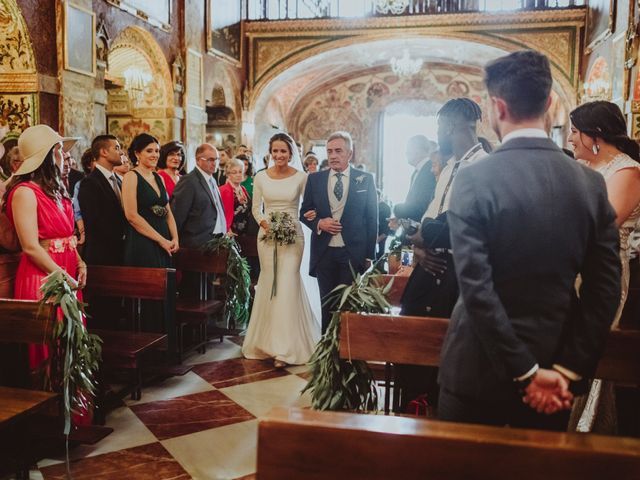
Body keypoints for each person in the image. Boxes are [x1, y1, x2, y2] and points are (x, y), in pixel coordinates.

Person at [437, 50, 621, 431]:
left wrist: (524, 372)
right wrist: (565, 370)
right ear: (551, 102)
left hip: (476, 369)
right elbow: (604, 289)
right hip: (555, 368)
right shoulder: (589, 184)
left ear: (496, 108)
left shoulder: (475, 179)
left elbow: (476, 288)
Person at [395, 98, 487, 412]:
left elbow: (458, 226)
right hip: (429, 264)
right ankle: (414, 406)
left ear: (450, 126)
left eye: (439, 127)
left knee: (444, 350)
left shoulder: (482, 166)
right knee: (412, 336)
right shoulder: (449, 166)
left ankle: (437, 412)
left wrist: (422, 233)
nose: (438, 133)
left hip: (458, 272)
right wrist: (418, 247)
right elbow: (429, 220)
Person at [567, 100, 640, 433]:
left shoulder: (627, 171)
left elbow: (604, 227)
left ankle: (587, 431)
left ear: (594, 135)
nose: (569, 139)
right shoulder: (588, 171)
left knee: (594, 347)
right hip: (574, 272)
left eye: (574, 131)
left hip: (603, 276)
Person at [2, 125, 85, 371]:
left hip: (67, 270)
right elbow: (29, 246)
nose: (65, 156)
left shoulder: (56, 189)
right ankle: (51, 404)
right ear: (47, 155)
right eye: (59, 150)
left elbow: (67, 234)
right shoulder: (24, 193)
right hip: (44, 276)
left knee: (72, 343)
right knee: (52, 346)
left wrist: (80, 261)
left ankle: (72, 407)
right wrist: (63, 277)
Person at [242, 132, 320, 367]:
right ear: (270, 152)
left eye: (283, 151)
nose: (279, 155)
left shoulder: (301, 177)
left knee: (287, 282)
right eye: (275, 151)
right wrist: (268, 226)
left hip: (293, 236)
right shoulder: (261, 177)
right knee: (269, 283)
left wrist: (312, 217)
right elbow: (256, 209)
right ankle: (266, 342)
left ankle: (286, 349)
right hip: (267, 236)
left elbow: (309, 207)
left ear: (291, 153)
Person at [300, 131, 378, 334]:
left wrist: (370, 255)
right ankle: (327, 354)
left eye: (338, 151)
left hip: (352, 252)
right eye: (329, 151)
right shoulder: (315, 180)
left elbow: (372, 219)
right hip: (324, 252)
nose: (333, 155)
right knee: (326, 304)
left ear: (349, 154)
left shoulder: (365, 179)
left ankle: (347, 354)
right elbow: (304, 212)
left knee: (347, 306)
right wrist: (319, 223)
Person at [122, 133, 178, 268]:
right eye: (149, 151)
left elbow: (168, 212)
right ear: (137, 154)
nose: (155, 155)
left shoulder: (159, 178)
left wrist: (175, 238)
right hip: (143, 239)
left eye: (157, 151)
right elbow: (131, 216)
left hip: (164, 237)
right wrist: (161, 240)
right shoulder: (131, 176)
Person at [78, 135, 127, 266]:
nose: (121, 152)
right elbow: (94, 221)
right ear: (104, 152)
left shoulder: (118, 180)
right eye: (117, 148)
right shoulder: (90, 183)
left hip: (120, 252)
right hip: (101, 255)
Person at [171, 143, 227, 248]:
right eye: (210, 160)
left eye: (217, 159)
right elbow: (177, 215)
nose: (215, 163)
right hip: (196, 244)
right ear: (198, 160)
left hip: (217, 242)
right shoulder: (189, 181)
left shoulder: (212, 180)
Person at [392, 135, 438, 222]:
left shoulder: (430, 170)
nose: (406, 153)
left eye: (408, 149)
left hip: (422, 228)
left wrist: (397, 210)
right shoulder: (417, 172)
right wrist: (401, 220)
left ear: (417, 151)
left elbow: (423, 206)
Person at [219, 157, 252, 234]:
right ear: (228, 174)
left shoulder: (243, 189)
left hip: (245, 231)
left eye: (240, 172)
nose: (238, 175)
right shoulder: (223, 190)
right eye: (234, 172)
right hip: (231, 232)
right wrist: (227, 230)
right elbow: (221, 214)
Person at [72, 148, 96, 250]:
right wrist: (83, 234)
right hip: (90, 231)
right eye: (95, 160)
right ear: (88, 165)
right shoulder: (81, 184)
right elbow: (78, 212)